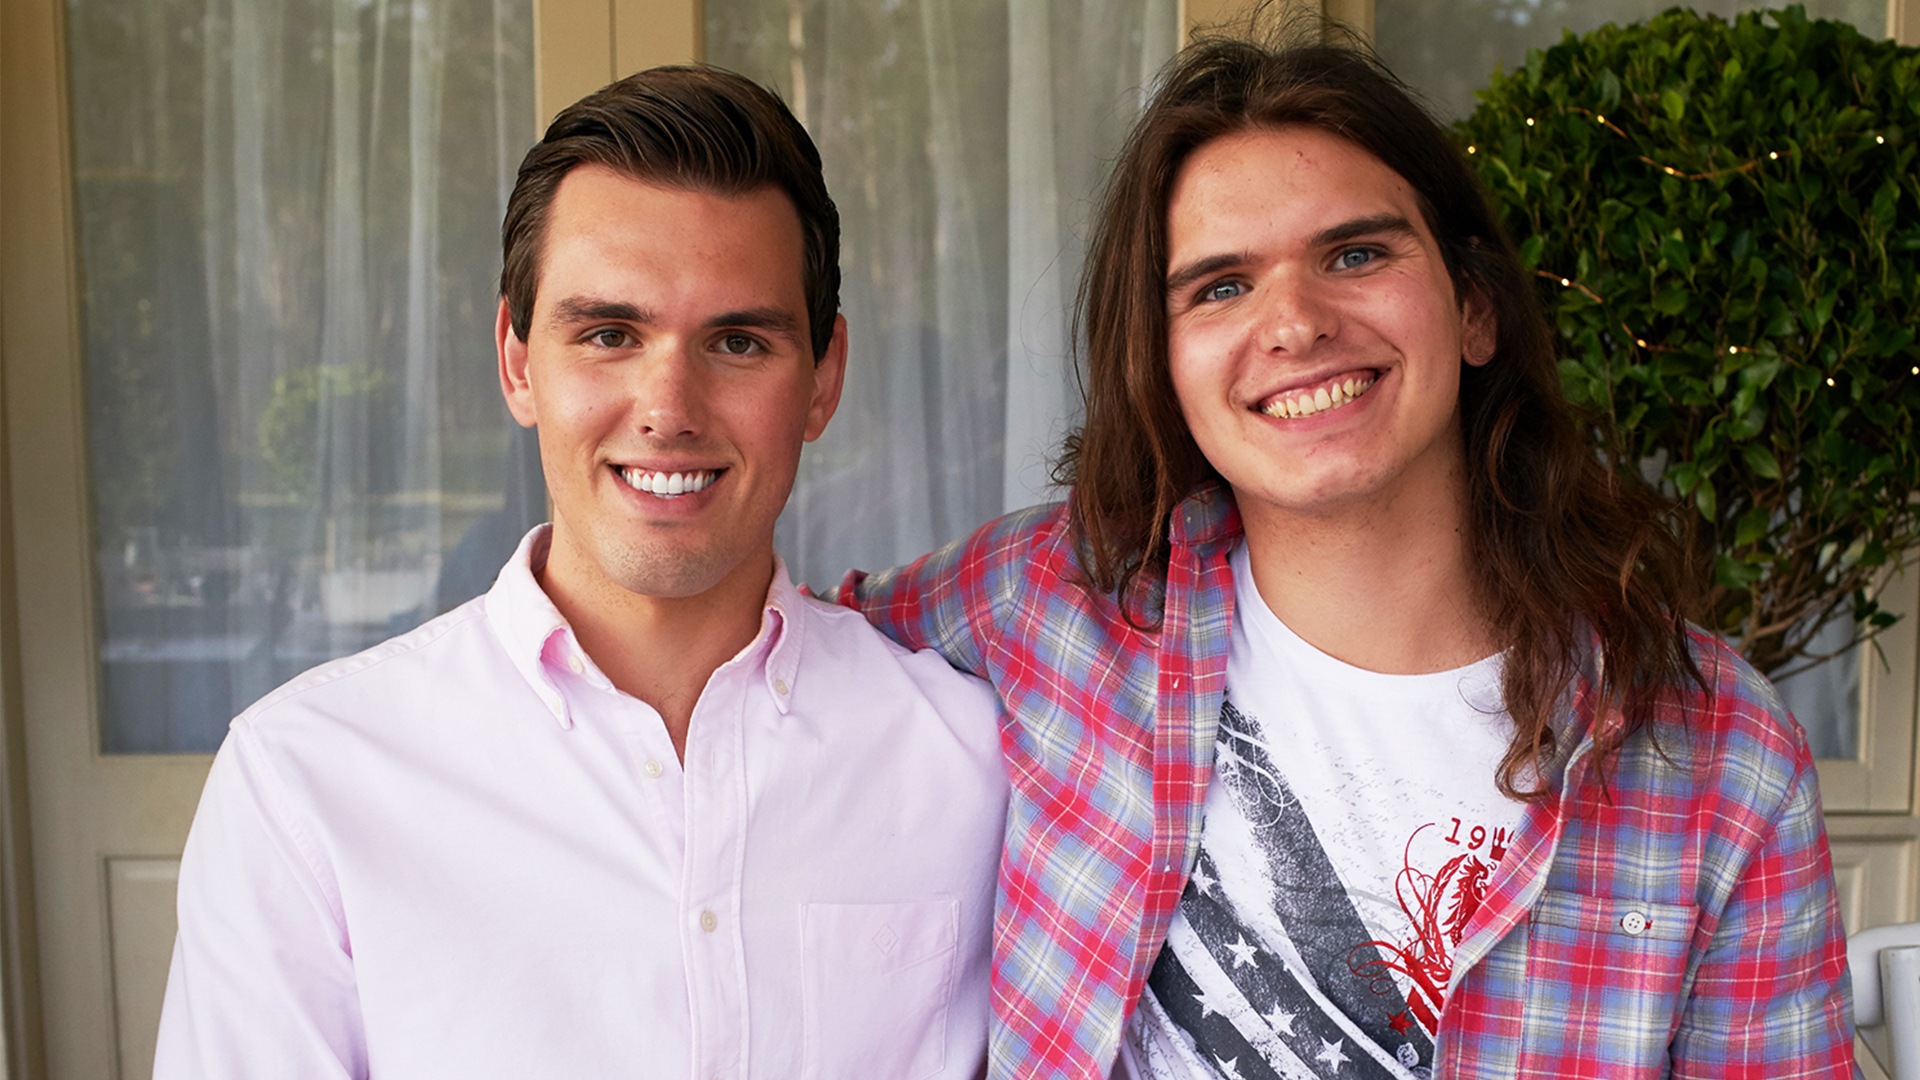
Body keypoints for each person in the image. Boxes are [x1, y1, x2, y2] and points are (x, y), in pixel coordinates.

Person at [840, 34, 1853, 1080]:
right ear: (1163, 365)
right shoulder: (1044, 602)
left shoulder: (1721, 756)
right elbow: (771, 659)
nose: (1294, 324)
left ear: (1473, 308)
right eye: (1220, 287)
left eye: (1357, 255)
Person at [155, 66, 1007, 1080]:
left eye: (739, 341)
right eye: (608, 334)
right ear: (518, 361)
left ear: (823, 379)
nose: (669, 408)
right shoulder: (306, 786)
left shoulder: (975, 762)